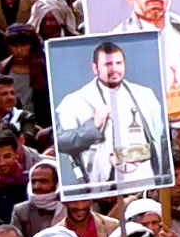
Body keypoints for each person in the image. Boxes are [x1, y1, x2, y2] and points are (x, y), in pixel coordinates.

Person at [54, 39, 169, 194]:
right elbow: (61, 141)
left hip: (146, 181)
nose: (114, 69)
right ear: (95, 68)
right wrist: (93, 125)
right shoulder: (75, 101)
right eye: (108, 64)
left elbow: (161, 139)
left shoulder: (145, 95)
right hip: (105, 188)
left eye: (118, 63)